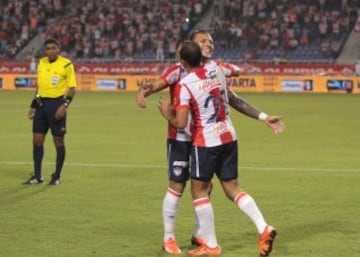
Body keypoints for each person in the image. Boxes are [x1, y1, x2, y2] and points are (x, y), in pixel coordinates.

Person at [136, 30, 284, 254]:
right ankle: (169, 238)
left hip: (203, 139)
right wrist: (144, 90)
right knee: (179, 187)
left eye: (211, 41)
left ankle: (202, 237)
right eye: (203, 41)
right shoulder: (180, 71)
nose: (209, 44)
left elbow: (232, 97)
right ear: (192, 46)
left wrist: (262, 116)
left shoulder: (216, 70)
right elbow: (158, 83)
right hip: (182, 138)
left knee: (202, 189)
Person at [24, 38, 77, 186]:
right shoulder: (42, 63)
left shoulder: (66, 64)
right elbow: (39, 87)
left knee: (58, 140)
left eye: (54, 48)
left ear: (59, 50)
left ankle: (57, 176)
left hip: (57, 105)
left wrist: (64, 105)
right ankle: (37, 176)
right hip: (41, 106)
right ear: (45, 50)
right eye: (48, 48)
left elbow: (72, 89)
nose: (51, 50)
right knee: (37, 141)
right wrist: (33, 105)